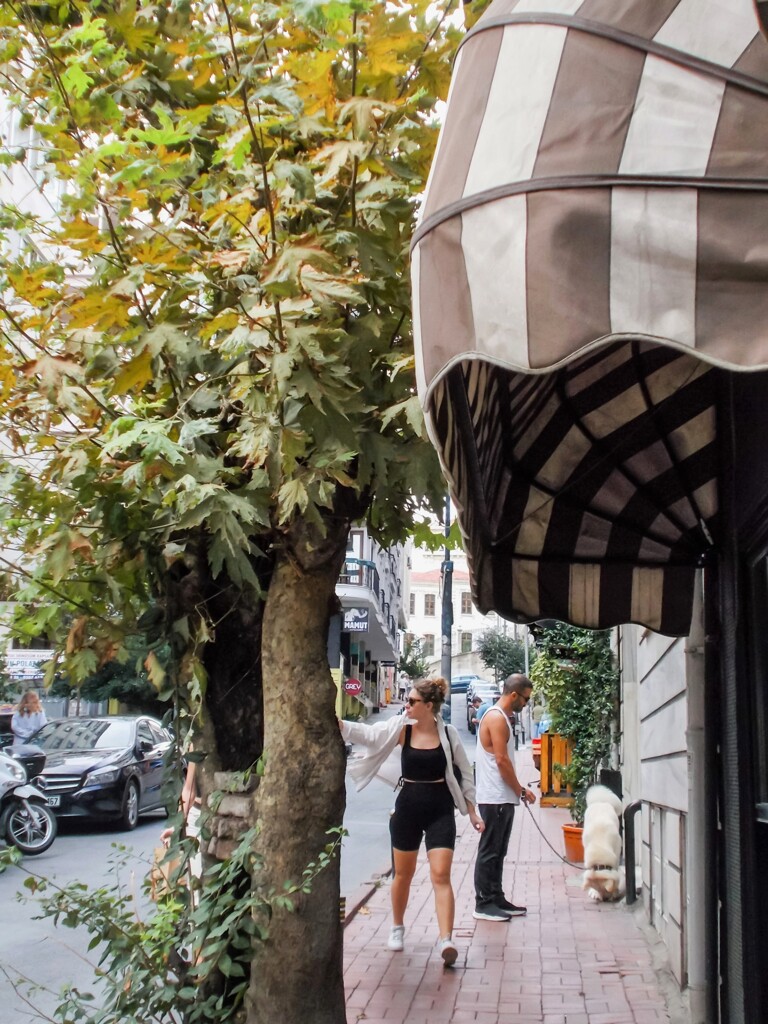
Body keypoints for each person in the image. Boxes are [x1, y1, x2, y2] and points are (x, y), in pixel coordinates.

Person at [340, 677, 485, 967]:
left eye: (412, 701)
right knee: (402, 875)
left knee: (441, 874)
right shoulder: (401, 729)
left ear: (429, 706)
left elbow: (464, 773)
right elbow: (371, 735)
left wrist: (472, 810)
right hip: (407, 809)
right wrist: (343, 726)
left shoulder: (448, 734)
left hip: (440, 810)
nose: (406, 705)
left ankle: (446, 939)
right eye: (407, 700)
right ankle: (397, 926)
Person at [473, 673, 536, 922]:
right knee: (490, 850)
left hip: (502, 797)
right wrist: (520, 789)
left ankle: (496, 897)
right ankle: (484, 903)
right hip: (494, 798)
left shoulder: (503, 718)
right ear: (513, 694)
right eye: (525, 699)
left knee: (499, 850)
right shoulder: (497, 719)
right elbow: (501, 760)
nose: (526, 704)